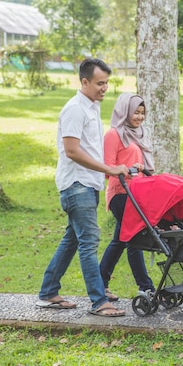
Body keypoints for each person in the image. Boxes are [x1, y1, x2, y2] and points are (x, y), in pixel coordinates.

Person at [36, 58, 127, 317]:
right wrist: (109, 170)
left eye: (107, 83)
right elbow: (72, 150)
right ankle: (99, 302)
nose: (105, 88)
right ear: (84, 82)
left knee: (72, 240)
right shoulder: (75, 109)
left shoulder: (91, 107)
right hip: (77, 185)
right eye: (100, 83)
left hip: (87, 184)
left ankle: (48, 292)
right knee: (88, 241)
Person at [99, 93, 156, 301]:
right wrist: (127, 169)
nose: (139, 117)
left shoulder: (139, 133)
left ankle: (99, 284)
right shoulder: (114, 135)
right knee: (133, 239)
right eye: (136, 113)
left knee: (120, 240)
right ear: (125, 111)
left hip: (137, 195)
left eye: (142, 113)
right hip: (121, 194)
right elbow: (106, 168)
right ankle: (146, 287)